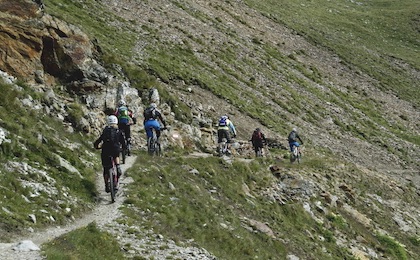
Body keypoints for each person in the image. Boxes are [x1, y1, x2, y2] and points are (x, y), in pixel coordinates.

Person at [94, 115, 126, 193]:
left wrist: (96, 146)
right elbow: (123, 142)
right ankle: (118, 166)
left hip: (106, 150)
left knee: (105, 168)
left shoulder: (105, 130)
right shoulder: (118, 131)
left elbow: (100, 139)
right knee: (116, 156)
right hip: (115, 149)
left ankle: (106, 185)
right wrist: (123, 149)